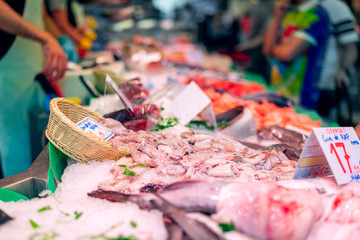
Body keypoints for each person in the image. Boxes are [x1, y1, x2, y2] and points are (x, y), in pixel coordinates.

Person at [0, 0, 67, 177]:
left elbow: (40, 11)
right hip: (7, 70)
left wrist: (58, 38)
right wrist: (46, 38)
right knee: (11, 149)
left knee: (33, 147)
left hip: (31, 68)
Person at [263, 0, 330, 110]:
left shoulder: (316, 15)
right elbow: (267, 48)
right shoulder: (291, 13)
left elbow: (287, 54)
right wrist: (278, 17)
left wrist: (273, 50)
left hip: (300, 98)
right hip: (278, 90)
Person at [317, 0, 358, 121]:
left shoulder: (335, 6)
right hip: (304, 80)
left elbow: (351, 46)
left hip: (326, 81)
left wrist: (342, 70)